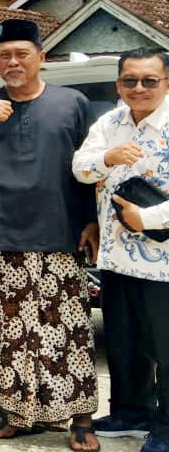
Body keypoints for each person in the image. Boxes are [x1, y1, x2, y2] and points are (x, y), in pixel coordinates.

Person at [0, 19, 99, 450]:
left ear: (41, 58)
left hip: (60, 234)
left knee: (68, 333)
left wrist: (91, 219)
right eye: (4, 55)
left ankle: (80, 417)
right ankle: (19, 413)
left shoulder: (73, 103)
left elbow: (93, 166)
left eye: (22, 54)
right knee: (11, 336)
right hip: (1, 236)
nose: (12, 62)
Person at [73, 47, 169, 452]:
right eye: (130, 80)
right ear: (118, 84)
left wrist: (145, 220)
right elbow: (80, 166)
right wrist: (108, 158)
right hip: (115, 258)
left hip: (164, 265)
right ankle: (131, 411)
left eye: (150, 80)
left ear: (166, 83)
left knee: (166, 347)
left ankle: (165, 426)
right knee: (125, 342)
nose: (139, 88)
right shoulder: (110, 122)